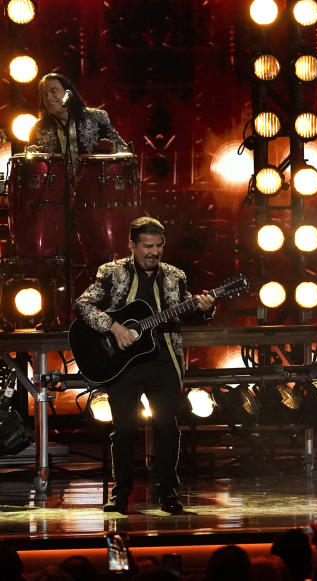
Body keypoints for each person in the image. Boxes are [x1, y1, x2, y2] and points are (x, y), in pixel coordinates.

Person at [75, 217, 215, 514]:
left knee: (167, 427)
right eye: (147, 246)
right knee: (124, 429)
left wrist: (206, 308)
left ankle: (167, 493)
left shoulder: (175, 276)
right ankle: (121, 494)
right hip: (123, 362)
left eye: (159, 246)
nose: (154, 252)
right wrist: (114, 328)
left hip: (163, 359)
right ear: (132, 246)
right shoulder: (111, 273)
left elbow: (189, 312)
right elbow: (83, 305)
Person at [27, 73, 128, 163]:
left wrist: (112, 148)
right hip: (57, 184)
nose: (48, 97)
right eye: (45, 95)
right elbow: (28, 163)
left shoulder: (97, 117)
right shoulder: (38, 128)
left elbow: (125, 149)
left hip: (93, 182)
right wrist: (31, 154)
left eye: (54, 91)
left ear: (68, 93)